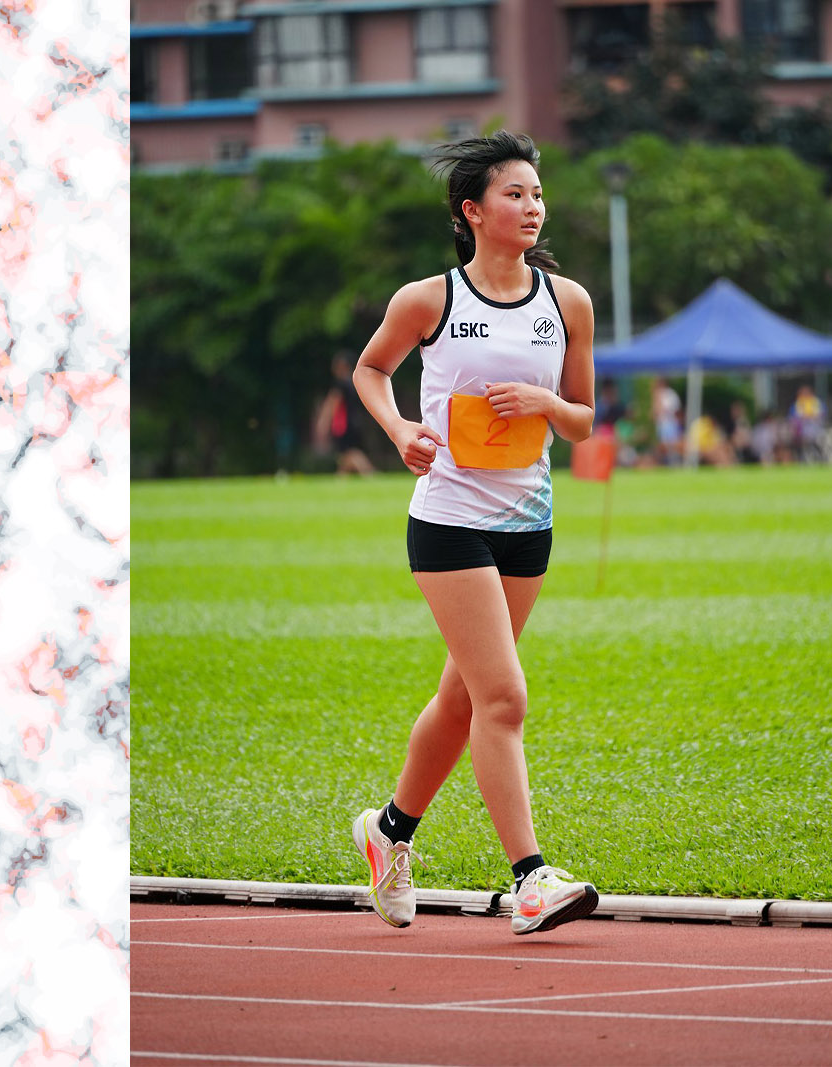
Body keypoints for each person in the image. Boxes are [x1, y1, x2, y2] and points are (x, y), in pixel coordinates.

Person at [349, 130, 600, 936]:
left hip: (529, 524)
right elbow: (370, 369)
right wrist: (399, 430)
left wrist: (547, 406)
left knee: (462, 698)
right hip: (450, 522)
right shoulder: (429, 301)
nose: (532, 207)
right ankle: (530, 878)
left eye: (537, 194)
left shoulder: (567, 303)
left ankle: (389, 831)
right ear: (472, 211)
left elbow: (584, 420)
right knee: (503, 695)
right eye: (514, 194)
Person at [314, 353, 376, 474]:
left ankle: (370, 474)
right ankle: (341, 478)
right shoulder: (355, 383)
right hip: (355, 423)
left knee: (350, 454)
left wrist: (323, 423)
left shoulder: (340, 385)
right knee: (345, 456)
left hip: (343, 425)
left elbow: (332, 404)